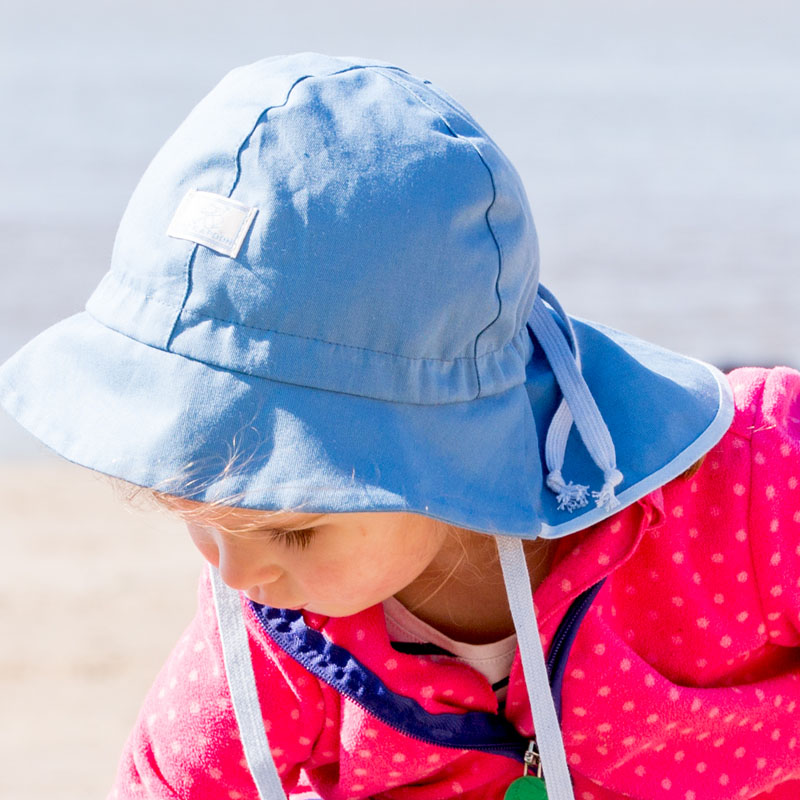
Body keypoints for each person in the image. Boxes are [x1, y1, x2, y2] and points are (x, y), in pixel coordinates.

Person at [1, 52, 798, 800]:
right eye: (201, 523)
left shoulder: (750, 490)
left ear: (444, 451)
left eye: (291, 530)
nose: (237, 577)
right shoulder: (273, 639)